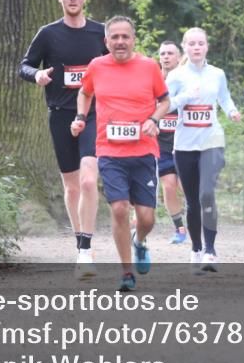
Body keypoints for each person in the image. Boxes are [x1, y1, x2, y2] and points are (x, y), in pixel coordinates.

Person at [71, 16, 170, 292]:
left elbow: (165, 101)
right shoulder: (97, 66)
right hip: (110, 151)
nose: (120, 42)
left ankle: (140, 241)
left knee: (147, 217)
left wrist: (154, 119)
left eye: (125, 36)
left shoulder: (149, 67)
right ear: (106, 42)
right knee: (118, 210)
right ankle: (127, 273)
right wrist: (81, 116)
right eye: (114, 37)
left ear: (133, 39)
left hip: (144, 151)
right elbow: (84, 92)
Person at [18, 0, 106, 277]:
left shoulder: (100, 33)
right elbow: (24, 66)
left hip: (93, 115)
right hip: (60, 114)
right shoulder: (48, 34)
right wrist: (37, 76)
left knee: (87, 180)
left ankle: (86, 246)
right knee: (71, 185)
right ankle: (82, 245)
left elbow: (118, 65)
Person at [166, 27, 241, 273]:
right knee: (192, 201)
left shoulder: (217, 74)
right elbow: (165, 105)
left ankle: (210, 250)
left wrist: (231, 111)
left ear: (207, 47)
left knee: (206, 195)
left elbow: (225, 98)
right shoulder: (176, 76)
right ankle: (196, 248)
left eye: (201, 43)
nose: (197, 48)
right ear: (185, 47)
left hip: (212, 140)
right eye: (192, 44)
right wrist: (185, 97)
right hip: (185, 144)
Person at [157, 41, 188, 244]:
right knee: (168, 187)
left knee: (187, 188)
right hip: (162, 146)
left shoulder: (187, 80)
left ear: (179, 57)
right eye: (162, 53)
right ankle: (180, 229)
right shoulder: (152, 80)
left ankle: (197, 222)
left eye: (170, 53)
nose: (166, 56)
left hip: (186, 144)